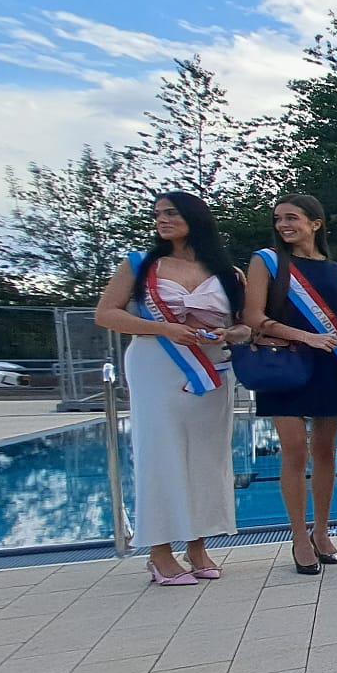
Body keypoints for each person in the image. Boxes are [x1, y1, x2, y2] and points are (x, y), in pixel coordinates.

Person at [95, 192, 251, 585]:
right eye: (158, 214)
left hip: (212, 367)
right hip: (156, 362)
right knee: (159, 452)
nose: (162, 219)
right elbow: (107, 314)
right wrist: (164, 328)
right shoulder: (140, 265)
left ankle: (197, 546)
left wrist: (229, 331)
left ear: (195, 217)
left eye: (171, 212)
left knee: (206, 455)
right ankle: (159, 552)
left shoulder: (228, 273)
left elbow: (247, 326)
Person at [241, 194, 337, 575]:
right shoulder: (267, 261)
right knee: (294, 452)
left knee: (326, 452)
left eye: (292, 218)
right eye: (278, 219)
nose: (283, 225)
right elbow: (254, 317)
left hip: (330, 366)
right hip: (283, 364)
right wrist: (306, 337)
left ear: (315, 224)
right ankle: (298, 536)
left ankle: (322, 531)